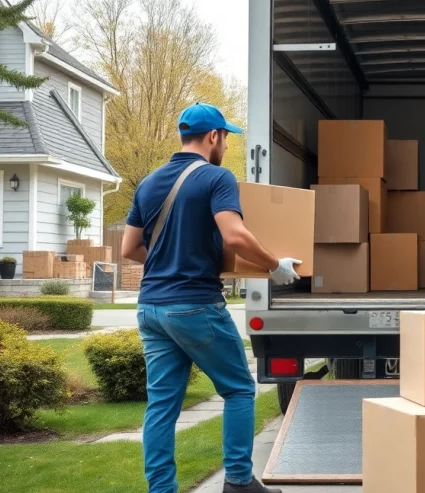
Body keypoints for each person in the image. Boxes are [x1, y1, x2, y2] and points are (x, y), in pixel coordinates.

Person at [122, 102, 301, 493]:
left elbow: (129, 248)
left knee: (161, 406)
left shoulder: (148, 183)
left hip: (151, 307)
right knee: (238, 389)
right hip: (195, 305)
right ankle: (238, 481)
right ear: (214, 136)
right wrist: (274, 265)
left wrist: (171, 260)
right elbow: (234, 235)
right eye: (226, 138)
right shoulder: (216, 177)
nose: (226, 146)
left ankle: (161, 490)